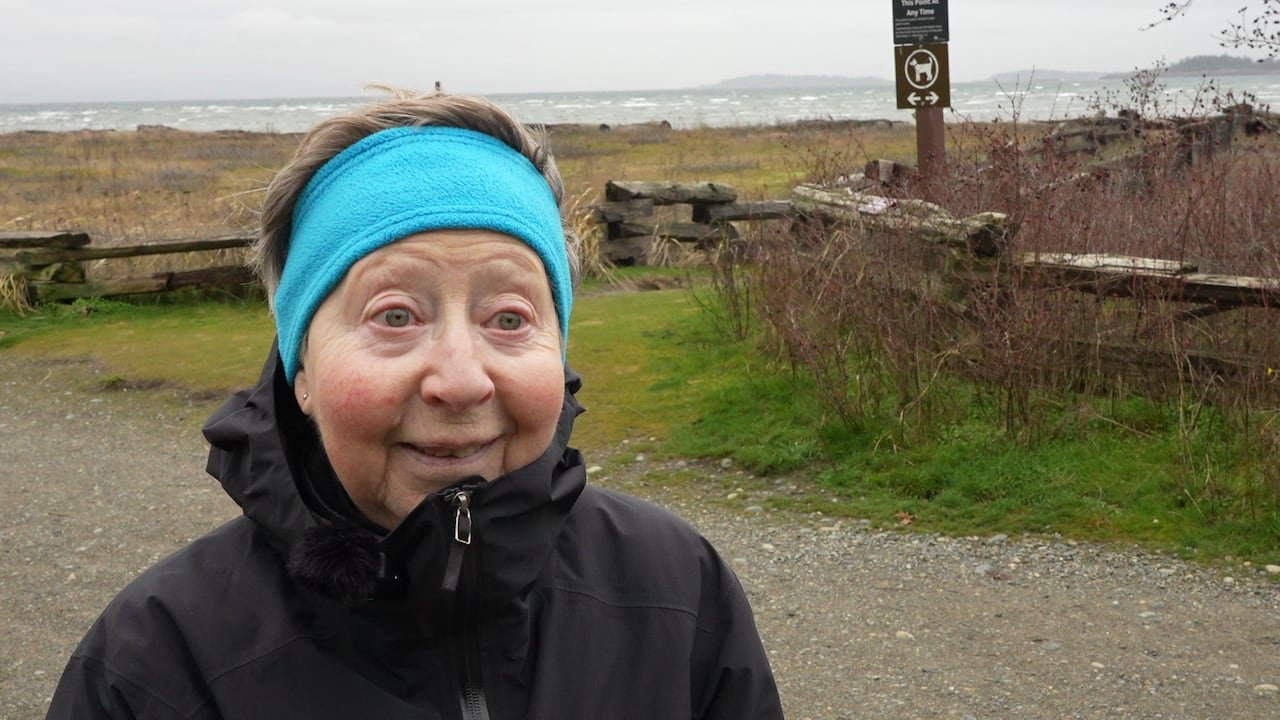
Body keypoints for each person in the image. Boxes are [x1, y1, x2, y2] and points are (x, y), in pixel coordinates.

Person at [47, 88, 785, 719]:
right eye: (395, 316)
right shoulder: (155, 662)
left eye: (510, 318)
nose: (461, 381)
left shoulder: (679, 588)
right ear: (301, 367)